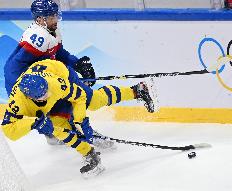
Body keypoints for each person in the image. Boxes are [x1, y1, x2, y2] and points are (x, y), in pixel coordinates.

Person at [1, 59, 156, 176]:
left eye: (46, 91)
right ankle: (89, 153)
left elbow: (80, 97)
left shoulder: (54, 85)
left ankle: (137, 91)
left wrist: (80, 120)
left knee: (93, 101)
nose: (48, 95)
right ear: (30, 97)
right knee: (58, 128)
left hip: (62, 73)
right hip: (39, 103)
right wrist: (34, 123)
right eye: (42, 96)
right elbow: (9, 131)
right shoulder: (17, 103)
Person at [4, 0, 98, 145]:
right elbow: (15, 65)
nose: (55, 19)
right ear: (40, 20)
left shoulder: (51, 31)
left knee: (65, 98)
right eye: (51, 17)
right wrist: (23, 88)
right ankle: (62, 134)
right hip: (19, 80)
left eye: (55, 15)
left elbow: (58, 53)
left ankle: (68, 132)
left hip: (39, 75)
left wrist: (77, 63)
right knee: (58, 101)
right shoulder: (38, 37)